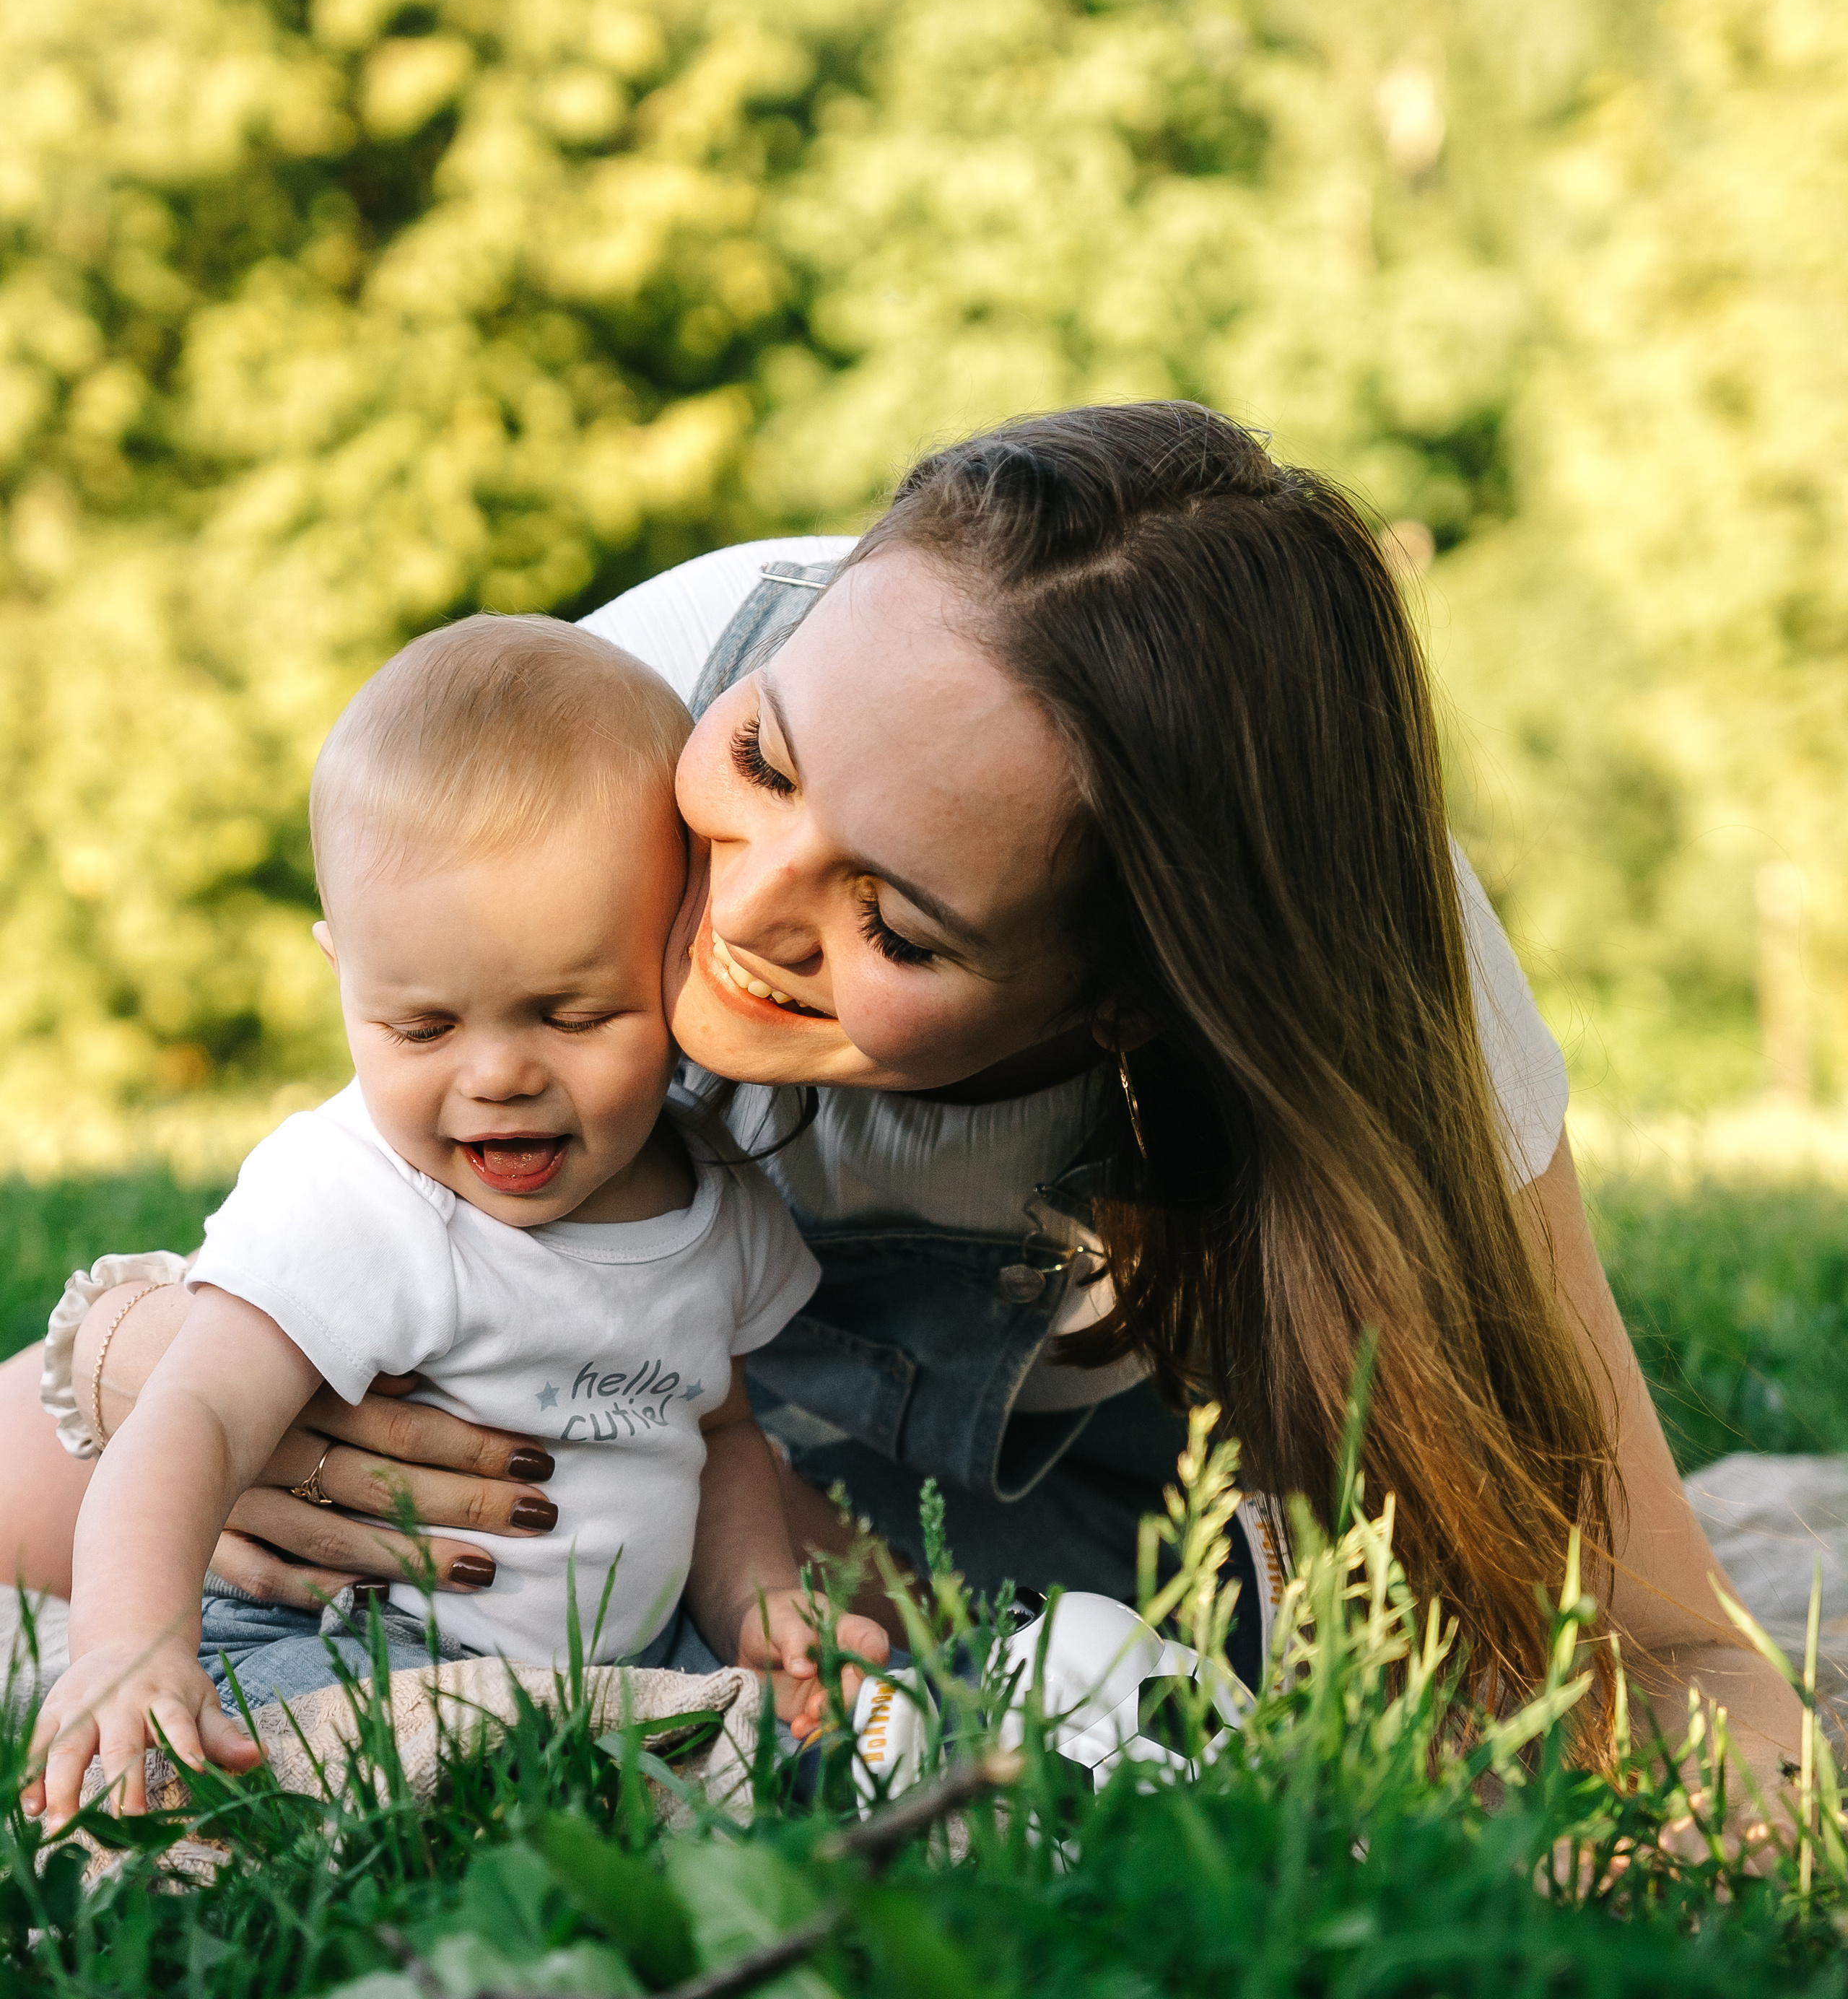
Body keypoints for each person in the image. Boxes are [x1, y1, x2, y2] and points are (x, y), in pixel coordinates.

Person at [3, 404, 1799, 1787]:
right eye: (764, 759)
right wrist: (143, 1354)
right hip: (599, 1428)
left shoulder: (1374, 992)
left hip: (1025, 1508)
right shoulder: (622, 703)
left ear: (1134, 995)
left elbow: (1649, 1630)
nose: (740, 910)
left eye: (899, 924)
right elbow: (400, 1193)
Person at [22, 615, 885, 1824]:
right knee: (282, 1779)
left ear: (680, 954)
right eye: (422, 1027)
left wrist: (759, 1605)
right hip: (346, 1646)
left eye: (572, 1016)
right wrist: (131, 1644)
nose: (498, 1077)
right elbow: (195, 1419)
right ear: (344, 975)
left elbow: (723, 1435)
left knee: (805, 1749)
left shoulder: (714, 1199)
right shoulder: (361, 1197)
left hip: (631, 1656)